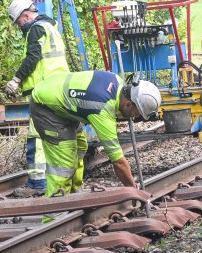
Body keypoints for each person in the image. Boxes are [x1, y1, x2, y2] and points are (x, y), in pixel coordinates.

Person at [30, 70, 161, 195]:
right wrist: (134, 190)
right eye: (137, 113)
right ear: (128, 104)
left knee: (80, 147)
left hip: (60, 99)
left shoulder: (116, 80)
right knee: (63, 165)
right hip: (45, 106)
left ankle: (74, 196)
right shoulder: (103, 109)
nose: (135, 117)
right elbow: (118, 162)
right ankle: (55, 212)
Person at [5, 0, 69, 197]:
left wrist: (16, 80)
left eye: (18, 23)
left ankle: (37, 183)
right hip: (60, 88)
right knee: (57, 135)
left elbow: (33, 58)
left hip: (44, 91)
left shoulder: (35, 29)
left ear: (25, 15)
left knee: (36, 136)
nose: (19, 27)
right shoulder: (51, 27)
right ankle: (58, 179)